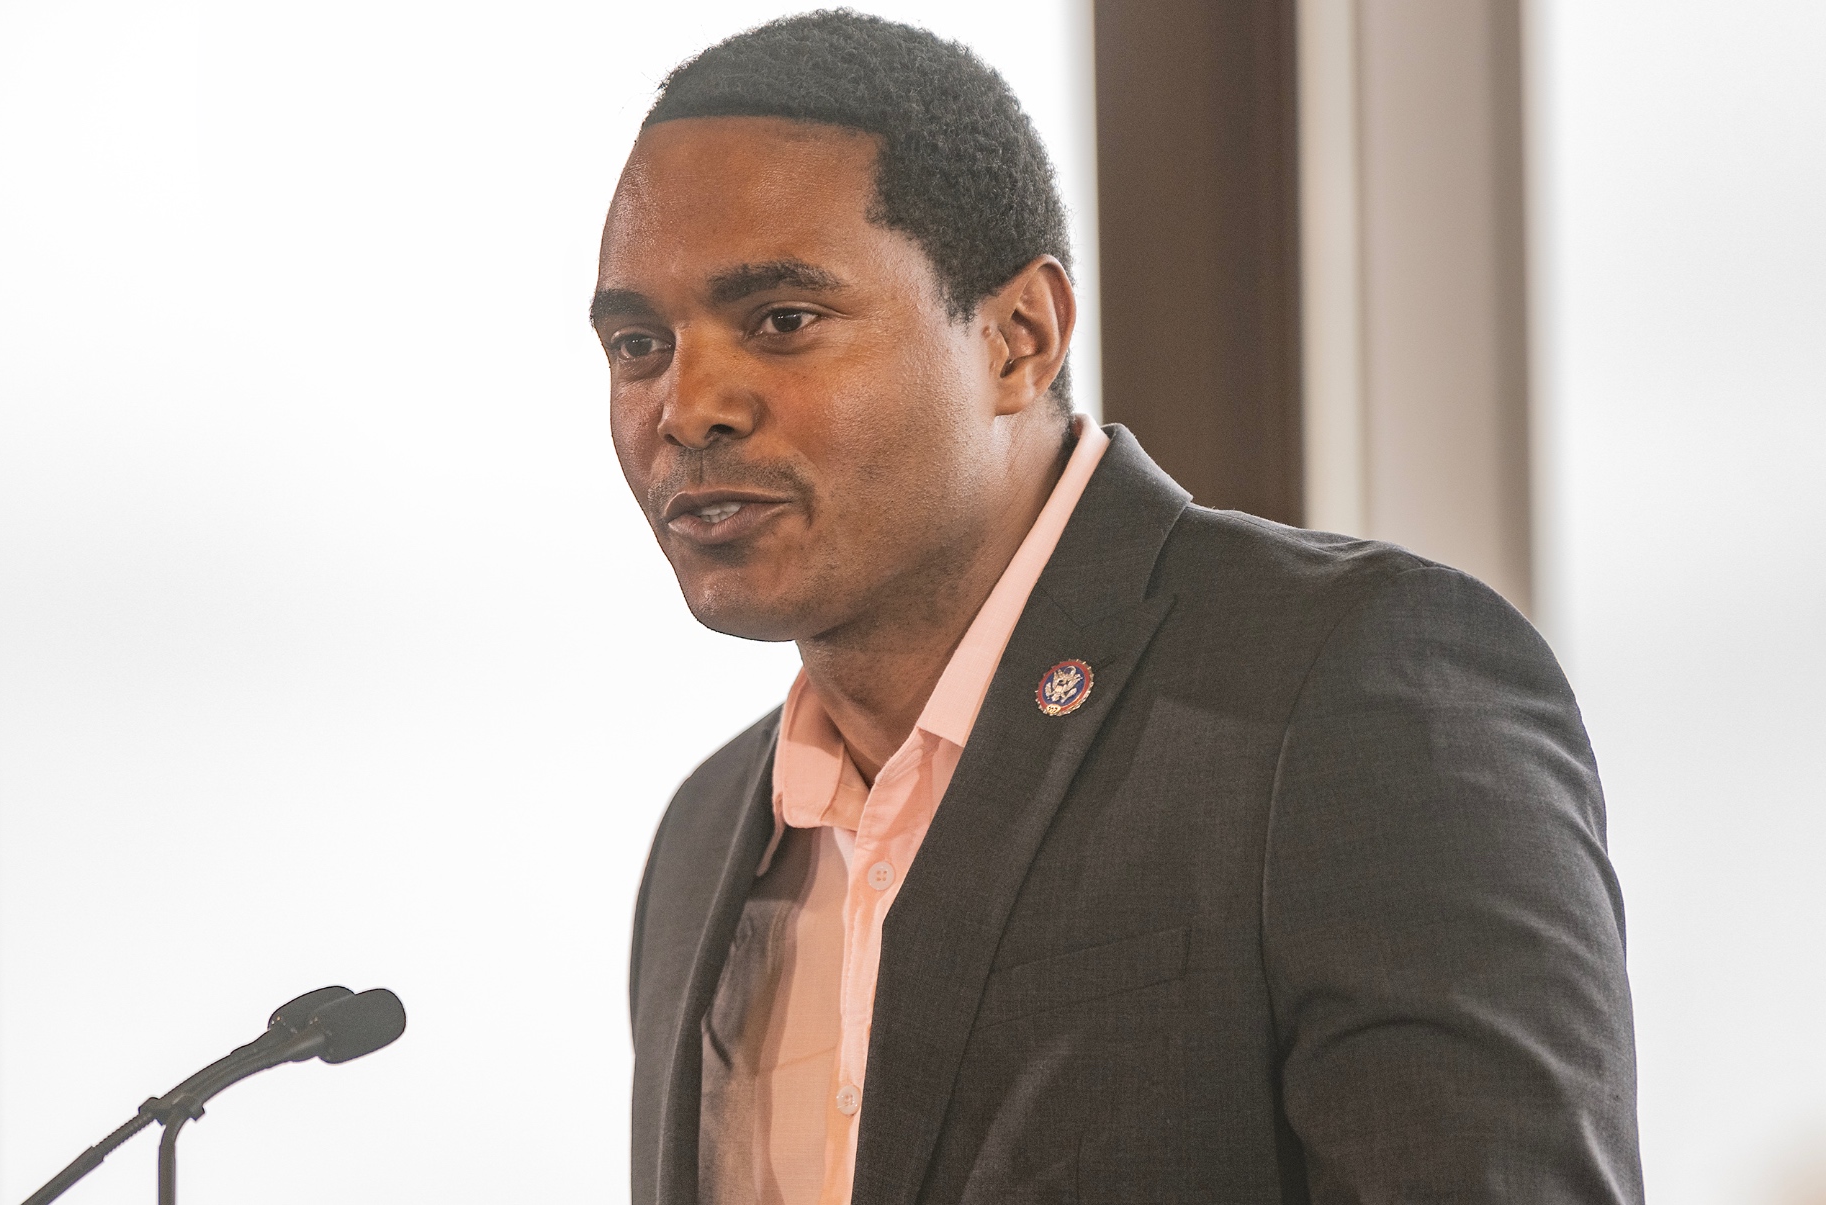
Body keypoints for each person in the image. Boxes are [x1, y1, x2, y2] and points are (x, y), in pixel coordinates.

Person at [591, 12, 1641, 1205]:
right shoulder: (703, 842)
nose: (688, 405)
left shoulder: (1344, 689)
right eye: (638, 343)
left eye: (782, 320)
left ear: (1018, 338)